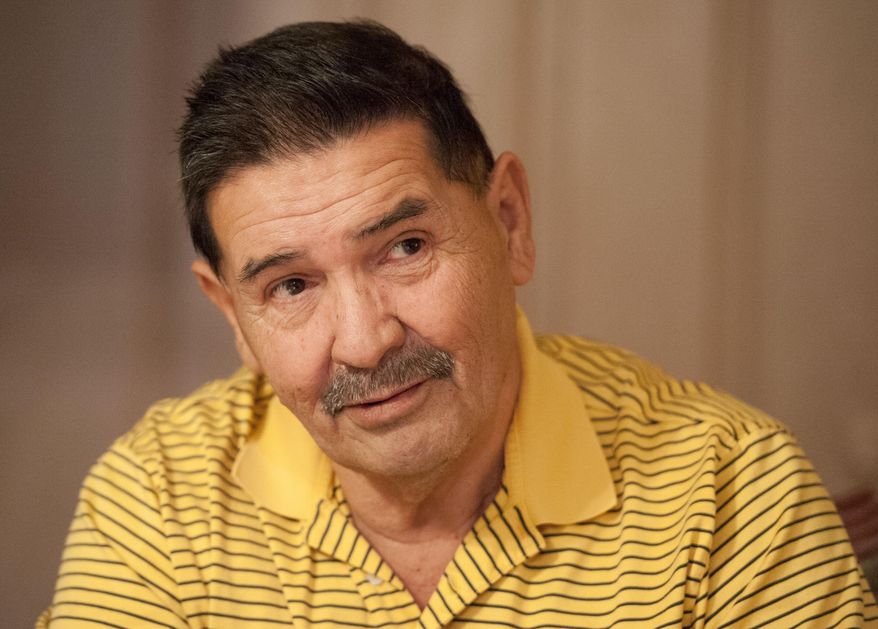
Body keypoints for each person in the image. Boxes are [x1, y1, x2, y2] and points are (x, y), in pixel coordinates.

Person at [39, 20, 876, 628]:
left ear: (508, 220)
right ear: (233, 312)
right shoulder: (159, 497)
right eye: (291, 286)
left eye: (405, 246)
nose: (365, 341)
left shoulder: (731, 493)